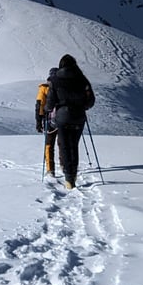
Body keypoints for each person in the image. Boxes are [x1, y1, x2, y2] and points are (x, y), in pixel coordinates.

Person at [46, 54, 96, 189]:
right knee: (74, 145)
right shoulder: (82, 79)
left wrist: (48, 109)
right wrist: (83, 106)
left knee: (65, 146)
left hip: (62, 117)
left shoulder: (55, 80)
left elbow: (50, 101)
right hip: (79, 117)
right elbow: (90, 100)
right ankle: (72, 174)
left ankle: (69, 179)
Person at [35, 68, 61, 176]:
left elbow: (39, 105)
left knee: (49, 145)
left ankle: (50, 170)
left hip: (50, 121)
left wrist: (38, 121)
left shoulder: (44, 88)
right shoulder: (65, 87)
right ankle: (65, 166)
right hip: (65, 121)